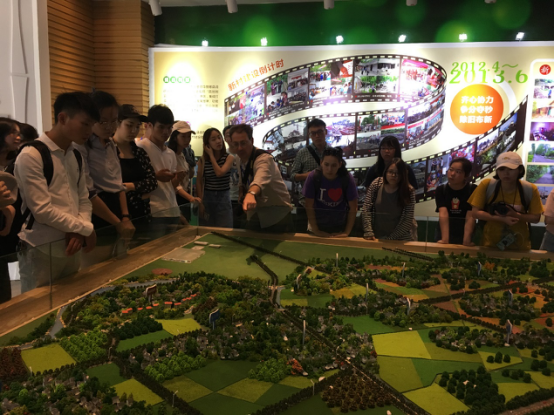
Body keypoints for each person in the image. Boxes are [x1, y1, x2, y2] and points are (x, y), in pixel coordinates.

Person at [14, 92, 98, 293]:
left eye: (92, 125)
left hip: (72, 245)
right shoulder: (31, 155)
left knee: (71, 300)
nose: (89, 131)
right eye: (85, 124)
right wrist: (84, 228)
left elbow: (83, 199)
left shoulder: (75, 155)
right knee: (38, 308)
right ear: (62, 118)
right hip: (40, 247)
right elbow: (42, 210)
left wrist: (80, 229)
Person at [75, 91, 135, 238]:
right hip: (97, 211)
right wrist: (118, 223)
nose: (110, 127)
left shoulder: (111, 144)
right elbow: (88, 193)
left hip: (116, 210)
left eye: (114, 121)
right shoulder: (81, 146)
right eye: (103, 122)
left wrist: (125, 216)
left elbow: (118, 184)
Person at [469, 152, 543, 251]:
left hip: (519, 244)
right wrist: (502, 219)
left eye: (511, 169)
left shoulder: (529, 189)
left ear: (520, 170)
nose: (506, 173)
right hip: (489, 244)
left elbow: (536, 218)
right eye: (502, 169)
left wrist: (516, 215)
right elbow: (475, 213)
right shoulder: (487, 185)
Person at [230, 124, 292, 232]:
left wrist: (251, 194)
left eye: (243, 143)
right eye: (236, 144)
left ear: (251, 141)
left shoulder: (264, 158)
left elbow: (260, 179)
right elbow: (242, 180)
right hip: (257, 213)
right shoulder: (239, 158)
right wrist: (241, 192)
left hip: (277, 215)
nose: (239, 148)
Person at [136, 105, 182, 226]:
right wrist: (155, 176)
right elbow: (135, 180)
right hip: (154, 210)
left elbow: (171, 186)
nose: (166, 132)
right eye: (161, 127)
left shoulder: (170, 153)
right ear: (150, 125)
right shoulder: (141, 147)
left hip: (172, 209)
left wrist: (177, 178)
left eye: (169, 128)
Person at [113, 105, 158, 221]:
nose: (134, 131)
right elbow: (109, 186)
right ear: (117, 123)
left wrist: (129, 186)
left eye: (137, 126)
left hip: (142, 213)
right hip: (116, 215)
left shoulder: (139, 152)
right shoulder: (107, 150)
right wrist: (140, 192)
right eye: (129, 125)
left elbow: (152, 182)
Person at [303, 147, 358, 238]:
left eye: (334, 165)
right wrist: (316, 230)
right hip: (316, 224)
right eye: (326, 164)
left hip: (339, 226)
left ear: (340, 164)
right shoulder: (313, 177)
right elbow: (309, 206)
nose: (329, 169)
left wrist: (346, 232)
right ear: (321, 163)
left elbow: (353, 207)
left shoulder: (347, 178)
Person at [363, 158, 416, 241]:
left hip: (401, 238)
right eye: (390, 172)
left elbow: (408, 219)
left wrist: (390, 239)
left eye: (398, 173)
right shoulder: (376, 184)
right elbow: (366, 209)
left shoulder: (408, 190)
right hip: (376, 237)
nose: (393, 175)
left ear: (403, 174)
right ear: (386, 172)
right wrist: (369, 232)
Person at [197, 128, 234, 228]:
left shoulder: (229, 157)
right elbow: (199, 181)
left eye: (219, 137)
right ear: (207, 144)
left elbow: (219, 173)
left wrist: (211, 156)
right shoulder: (202, 160)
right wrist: (200, 202)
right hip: (207, 197)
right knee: (207, 229)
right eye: (213, 139)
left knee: (225, 229)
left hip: (223, 197)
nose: (218, 141)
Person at [435, 157, 477, 246]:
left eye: (458, 172)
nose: (452, 174)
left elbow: (470, 215)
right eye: (451, 170)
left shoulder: (472, 189)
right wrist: (445, 239)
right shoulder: (441, 190)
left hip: (465, 231)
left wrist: (466, 240)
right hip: (444, 231)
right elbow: (443, 213)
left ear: (466, 175)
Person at [167, 121, 202, 223]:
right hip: (175, 198)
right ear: (175, 137)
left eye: (189, 136)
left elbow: (188, 176)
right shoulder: (170, 155)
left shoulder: (182, 154)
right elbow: (175, 185)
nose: (187, 140)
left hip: (184, 196)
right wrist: (190, 198)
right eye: (183, 136)